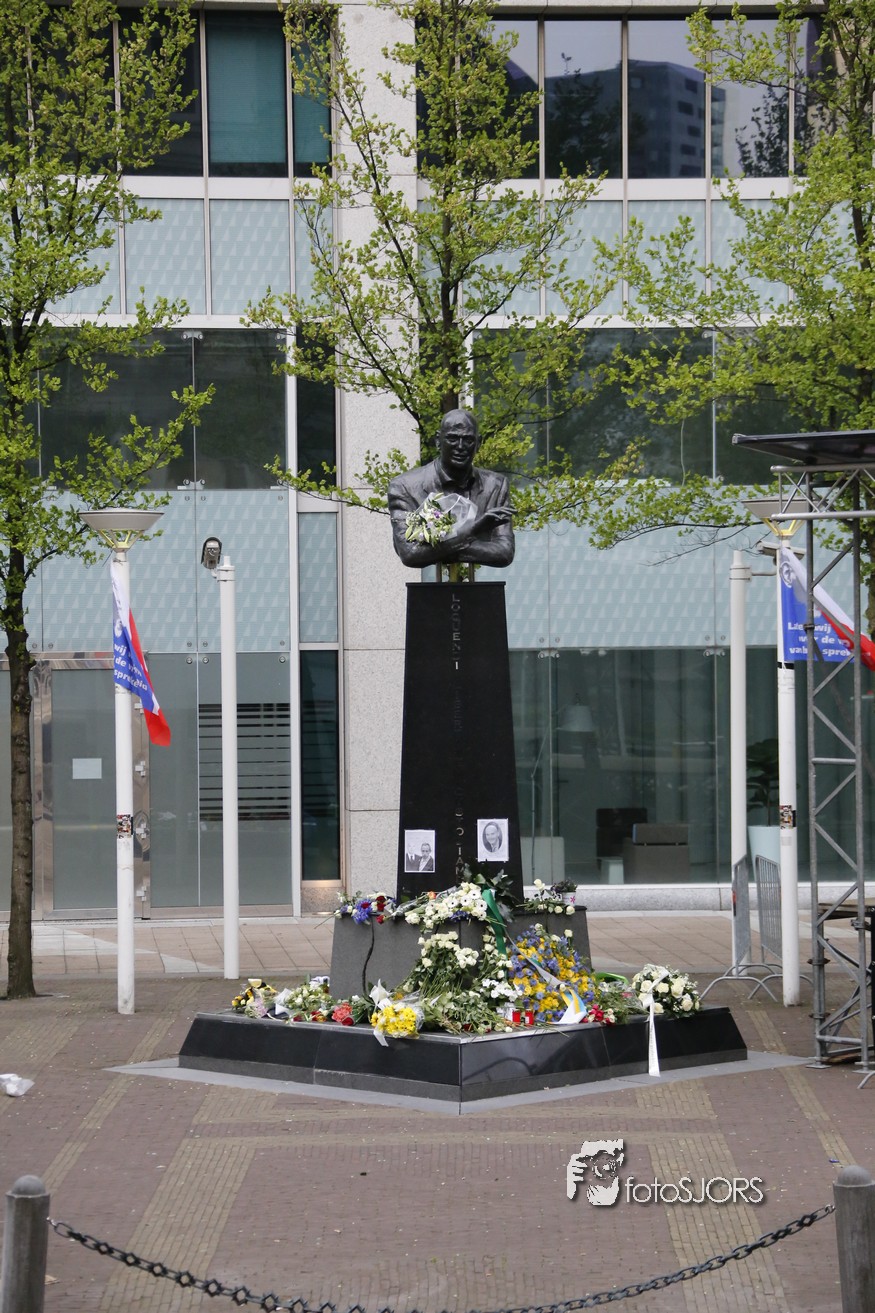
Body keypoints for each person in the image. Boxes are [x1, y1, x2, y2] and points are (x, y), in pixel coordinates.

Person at [387, 409, 514, 568]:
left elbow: (505, 552)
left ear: (478, 443)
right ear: (438, 441)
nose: (460, 446)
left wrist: (436, 550)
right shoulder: (404, 487)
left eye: (468, 440)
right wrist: (471, 532)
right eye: (452, 438)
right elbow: (410, 553)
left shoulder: (496, 485)